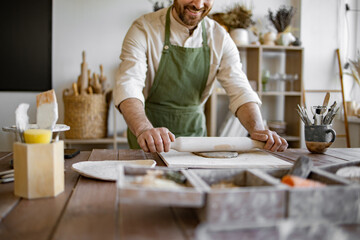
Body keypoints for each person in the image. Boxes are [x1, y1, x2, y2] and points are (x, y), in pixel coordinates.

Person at [113, 0, 288, 153]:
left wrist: (257, 130)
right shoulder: (144, 29)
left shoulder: (219, 37)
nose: (198, 4)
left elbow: (240, 89)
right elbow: (129, 83)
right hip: (148, 139)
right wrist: (144, 129)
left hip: (194, 139)